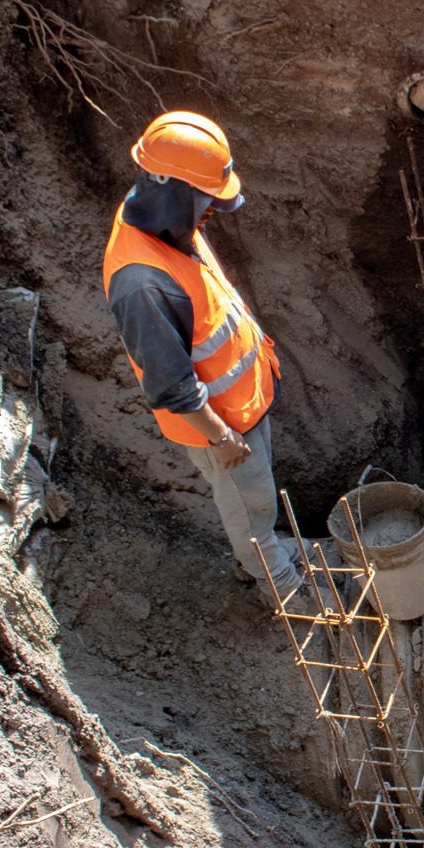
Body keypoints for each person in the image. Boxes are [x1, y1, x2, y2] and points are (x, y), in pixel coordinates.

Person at [102, 110, 303, 604]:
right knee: (249, 510)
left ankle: (262, 561)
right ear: (172, 190)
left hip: (242, 408)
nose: (214, 209)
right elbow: (169, 384)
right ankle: (284, 593)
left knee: (255, 505)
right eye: (207, 199)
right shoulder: (141, 284)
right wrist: (223, 439)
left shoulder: (169, 229)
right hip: (222, 426)